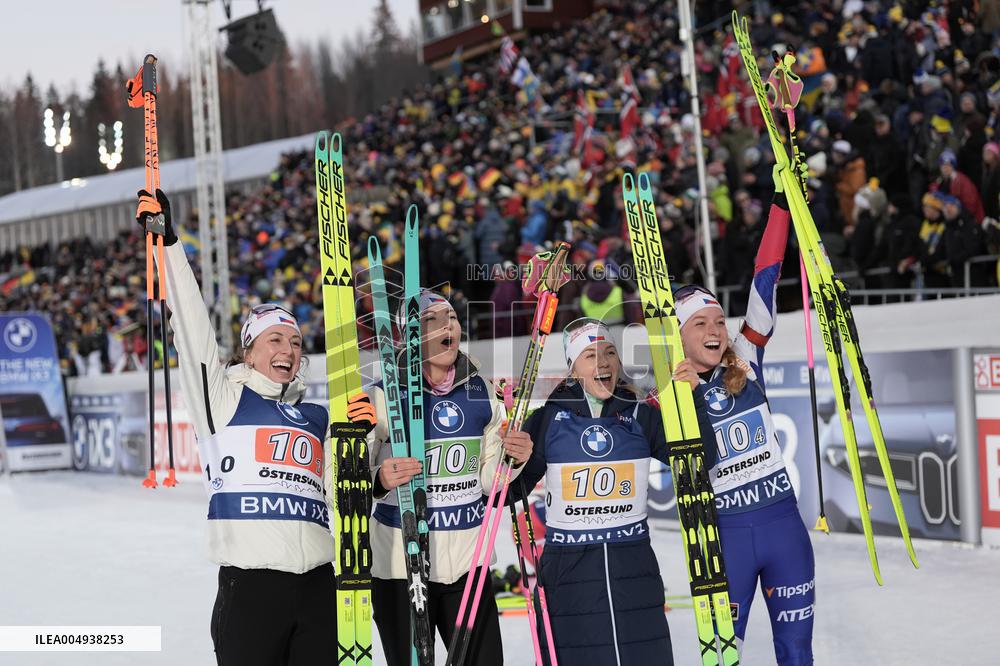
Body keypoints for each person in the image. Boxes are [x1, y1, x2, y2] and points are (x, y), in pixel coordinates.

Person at [135, 189, 377, 666]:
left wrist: (358, 443)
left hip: (319, 587)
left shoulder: (318, 417)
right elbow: (192, 330)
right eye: (274, 339)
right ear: (249, 351)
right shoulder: (223, 401)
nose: (286, 348)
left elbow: (347, 501)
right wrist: (168, 248)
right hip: (251, 588)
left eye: (294, 340)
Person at [670, 164, 815, 665]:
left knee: (797, 652)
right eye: (700, 324)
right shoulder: (666, 394)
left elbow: (766, 273)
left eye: (718, 320)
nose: (714, 329)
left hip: (783, 527)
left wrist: (781, 200)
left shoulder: (746, 356)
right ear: (680, 336)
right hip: (724, 539)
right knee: (722, 657)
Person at [508, 316, 699, 665]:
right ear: (572, 369)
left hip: (633, 570)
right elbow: (507, 495)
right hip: (570, 575)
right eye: (590, 355)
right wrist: (508, 459)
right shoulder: (548, 420)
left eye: (609, 352)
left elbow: (697, 462)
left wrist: (693, 401)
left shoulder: (641, 416)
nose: (604, 362)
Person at [366, 289, 532, 666]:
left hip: (466, 567)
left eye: (453, 318)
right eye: (433, 320)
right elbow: (344, 478)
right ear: (410, 336)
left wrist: (513, 458)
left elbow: (492, 482)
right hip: (400, 568)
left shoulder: (482, 392)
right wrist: (378, 478)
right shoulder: (382, 397)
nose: (448, 325)